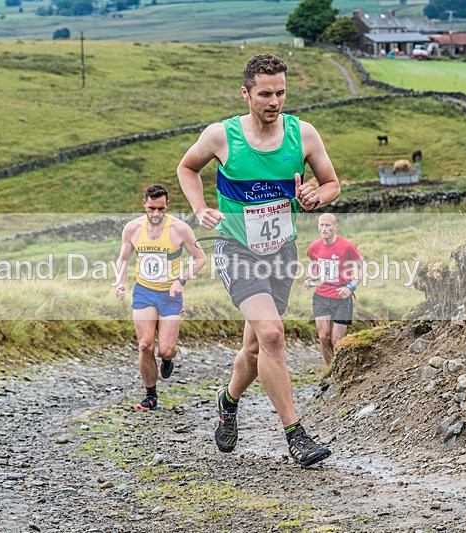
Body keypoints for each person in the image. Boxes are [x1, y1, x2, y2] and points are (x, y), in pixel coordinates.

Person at [176, 53, 341, 467]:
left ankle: (227, 400)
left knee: (254, 349)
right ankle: (296, 435)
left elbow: (331, 184)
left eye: (281, 92)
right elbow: (187, 168)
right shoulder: (221, 136)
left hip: (281, 253)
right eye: (265, 94)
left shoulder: (303, 134)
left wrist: (315, 197)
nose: (274, 101)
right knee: (272, 335)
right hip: (236, 249)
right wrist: (200, 208)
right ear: (246, 93)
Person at [114, 185, 206, 411]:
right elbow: (123, 259)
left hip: (170, 295)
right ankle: (151, 396)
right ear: (144, 204)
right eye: (152, 208)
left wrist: (181, 280)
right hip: (144, 292)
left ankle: (167, 359)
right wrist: (120, 282)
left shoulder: (180, 229)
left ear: (167, 206)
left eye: (161, 209)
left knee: (165, 349)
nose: (156, 214)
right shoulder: (132, 228)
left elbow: (200, 258)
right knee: (145, 345)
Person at [304, 213, 362, 366]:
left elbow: (361, 268)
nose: (324, 228)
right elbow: (312, 264)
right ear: (318, 227)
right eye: (321, 225)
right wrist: (310, 279)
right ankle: (329, 370)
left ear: (335, 227)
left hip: (342, 297)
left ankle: (338, 369)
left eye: (327, 225)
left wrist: (351, 287)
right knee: (323, 337)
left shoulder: (347, 246)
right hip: (321, 296)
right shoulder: (314, 247)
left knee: (337, 340)